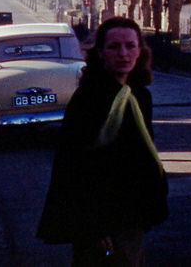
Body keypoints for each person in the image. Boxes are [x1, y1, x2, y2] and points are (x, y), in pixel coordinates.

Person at [37, 17, 168, 266]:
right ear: (100, 52)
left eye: (130, 46)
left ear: (140, 50)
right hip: (103, 223)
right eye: (114, 47)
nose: (123, 54)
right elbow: (75, 166)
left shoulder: (139, 95)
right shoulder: (89, 98)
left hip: (131, 216)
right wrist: (93, 227)